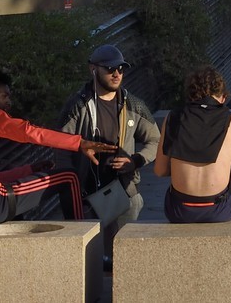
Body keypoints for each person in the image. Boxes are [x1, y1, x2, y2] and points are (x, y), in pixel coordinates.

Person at [0, 69, 116, 225]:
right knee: (68, 177)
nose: (9, 102)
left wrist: (30, 169)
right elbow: (28, 132)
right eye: (4, 96)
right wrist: (79, 143)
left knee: (18, 218)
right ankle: (83, 240)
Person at [58, 44, 160, 269]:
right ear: (93, 70)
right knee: (89, 262)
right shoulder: (78, 106)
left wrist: (136, 160)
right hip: (87, 196)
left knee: (124, 259)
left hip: (124, 191)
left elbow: (156, 140)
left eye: (121, 69)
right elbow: (61, 146)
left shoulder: (133, 104)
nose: (117, 74)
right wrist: (70, 187)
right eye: (110, 68)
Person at [153, 65, 231, 223]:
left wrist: (182, 167)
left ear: (190, 95)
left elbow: (160, 170)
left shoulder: (173, 117)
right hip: (218, 210)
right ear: (223, 97)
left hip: (179, 210)